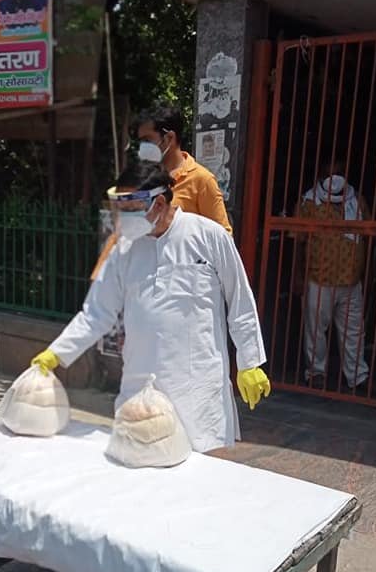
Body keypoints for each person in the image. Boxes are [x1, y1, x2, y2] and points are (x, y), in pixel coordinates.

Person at [31, 162, 270, 453]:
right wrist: (56, 354)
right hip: (140, 387)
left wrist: (249, 362)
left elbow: (240, 300)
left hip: (196, 389)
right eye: (122, 208)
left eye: (131, 208)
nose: (125, 217)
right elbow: (96, 313)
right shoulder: (125, 249)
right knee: (136, 463)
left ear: (158, 203)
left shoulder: (209, 236)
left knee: (197, 471)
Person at [91, 103, 232, 280]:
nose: (142, 147)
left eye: (147, 140)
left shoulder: (201, 181)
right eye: (140, 141)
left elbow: (222, 239)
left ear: (169, 138)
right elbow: (123, 229)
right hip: (141, 277)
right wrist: (101, 273)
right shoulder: (141, 178)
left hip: (182, 281)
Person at [298, 161, 370, 391]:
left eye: (338, 173)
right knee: (315, 330)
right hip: (320, 277)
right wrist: (298, 276)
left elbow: (370, 233)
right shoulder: (309, 201)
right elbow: (297, 240)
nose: (334, 178)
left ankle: (358, 376)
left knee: (354, 331)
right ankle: (315, 372)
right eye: (329, 174)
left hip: (351, 279)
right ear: (320, 176)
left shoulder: (356, 200)